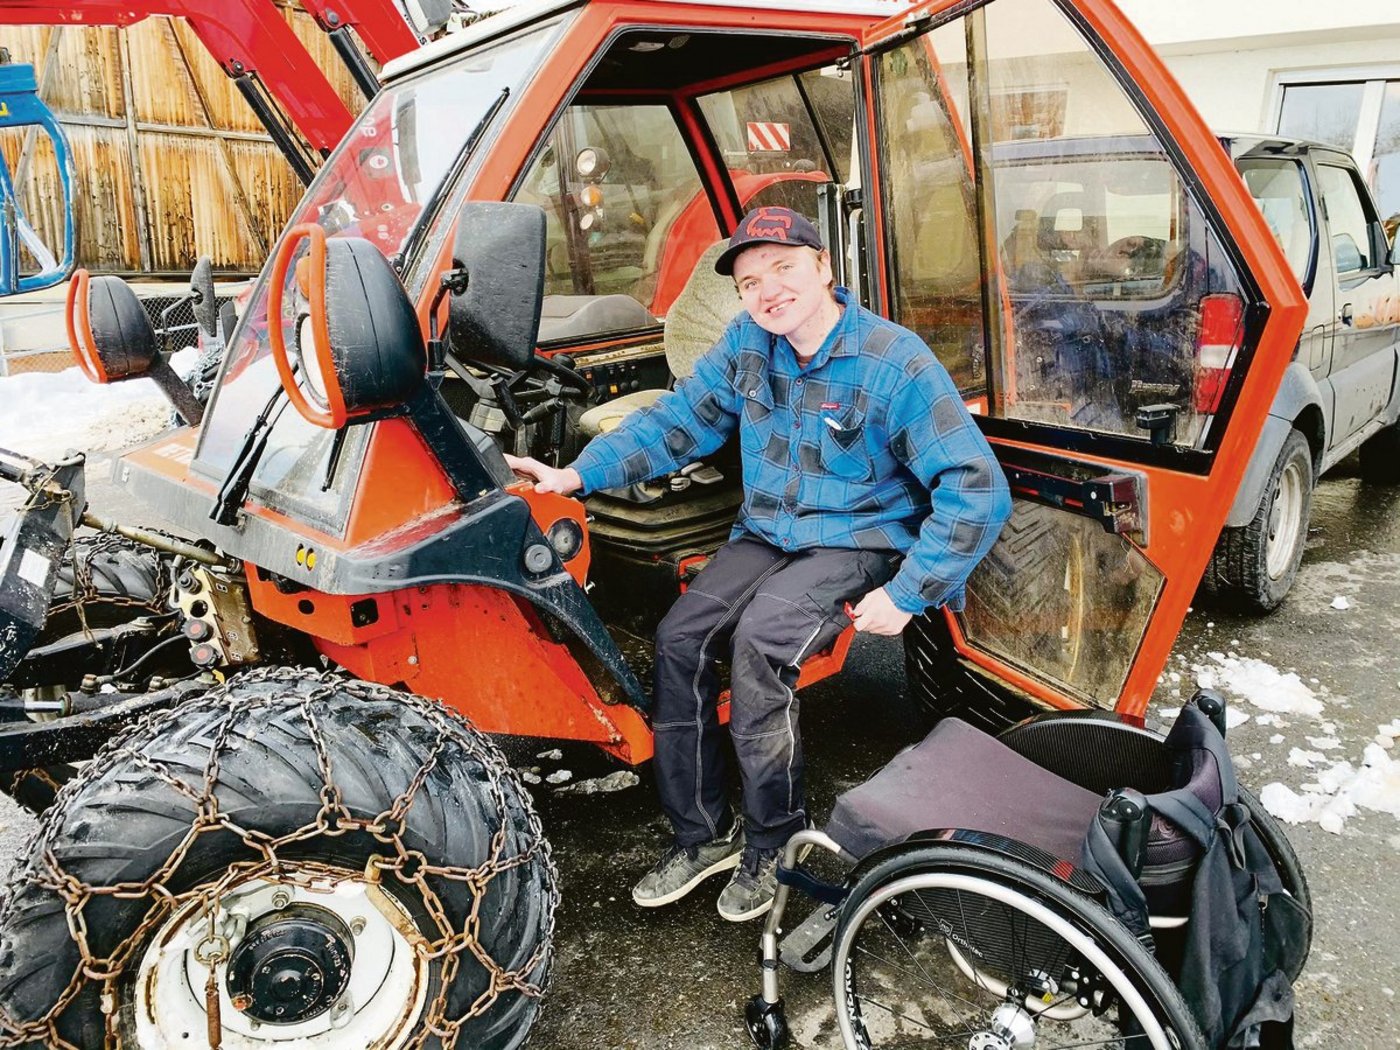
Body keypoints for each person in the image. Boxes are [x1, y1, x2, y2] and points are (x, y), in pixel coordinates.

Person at [506, 205, 1012, 921]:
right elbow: (680, 421)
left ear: (823, 268)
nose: (768, 290)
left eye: (783, 268)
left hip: (857, 539)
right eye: (749, 282)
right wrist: (577, 476)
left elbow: (976, 488)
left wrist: (910, 591)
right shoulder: (750, 343)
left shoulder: (894, 361)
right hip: (770, 530)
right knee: (679, 640)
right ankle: (702, 834)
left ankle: (775, 843)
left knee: (761, 647)